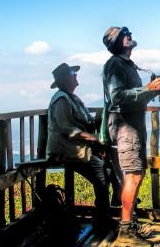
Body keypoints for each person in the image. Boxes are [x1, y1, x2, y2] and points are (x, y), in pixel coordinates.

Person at [102, 26, 160, 244]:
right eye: (124, 34)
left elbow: (132, 98)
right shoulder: (115, 65)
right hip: (125, 128)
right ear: (118, 42)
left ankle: (130, 224)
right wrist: (148, 88)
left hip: (132, 127)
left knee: (137, 174)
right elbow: (117, 97)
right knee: (133, 175)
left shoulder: (126, 65)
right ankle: (126, 232)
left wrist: (152, 91)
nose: (129, 35)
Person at [46, 63, 112, 230]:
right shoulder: (61, 99)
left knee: (107, 171)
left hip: (78, 149)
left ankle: (102, 216)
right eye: (73, 73)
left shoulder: (72, 98)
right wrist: (93, 138)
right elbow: (65, 128)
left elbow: (86, 122)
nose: (76, 76)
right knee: (101, 175)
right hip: (68, 151)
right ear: (66, 79)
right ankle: (102, 221)